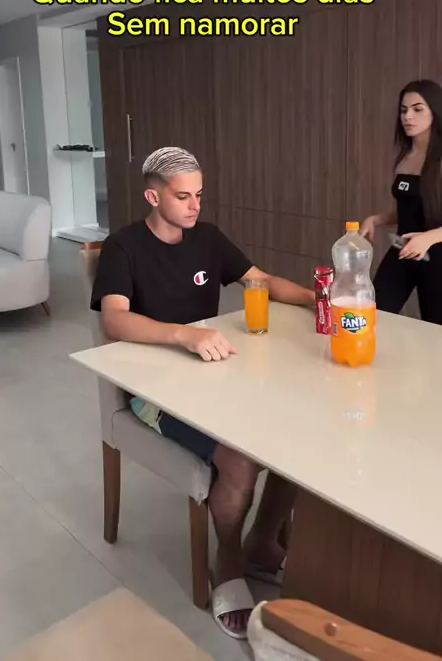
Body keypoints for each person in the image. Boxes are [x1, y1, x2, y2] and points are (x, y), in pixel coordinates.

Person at [91, 146, 315, 640]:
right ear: (154, 197)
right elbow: (114, 319)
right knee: (239, 456)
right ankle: (228, 562)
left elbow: (259, 280)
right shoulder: (123, 246)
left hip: (213, 374)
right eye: (183, 196)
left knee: (296, 429)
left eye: (200, 195)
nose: (195, 206)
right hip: (151, 391)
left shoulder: (208, 239)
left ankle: (262, 541)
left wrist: (317, 298)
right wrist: (184, 335)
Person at [361, 80, 442, 324]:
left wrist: (428, 238)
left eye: (418, 109)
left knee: (436, 329)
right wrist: (377, 219)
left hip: (436, 255)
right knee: (373, 313)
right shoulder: (406, 157)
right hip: (403, 249)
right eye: (404, 110)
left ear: (435, 112)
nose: (408, 116)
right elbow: (411, 209)